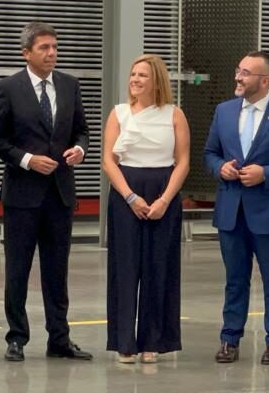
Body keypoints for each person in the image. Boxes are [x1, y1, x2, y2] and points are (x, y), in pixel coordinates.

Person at [0, 22, 93, 363]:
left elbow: (81, 130)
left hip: (60, 195)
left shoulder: (69, 85)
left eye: (54, 47)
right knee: (17, 270)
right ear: (26, 53)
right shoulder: (8, 88)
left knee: (57, 271)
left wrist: (80, 149)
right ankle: (16, 338)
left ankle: (59, 339)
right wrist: (27, 160)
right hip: (22, 195)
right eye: (44, 48)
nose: (51, 53)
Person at [204, 50, 269, 365]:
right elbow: (210, 153)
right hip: (231, 211)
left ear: (265, 81)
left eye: (246, 73)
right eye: (238, 70)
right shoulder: (223, 111)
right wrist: (220, 168)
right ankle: (229, 339)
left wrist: (266, 173)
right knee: (234, 280)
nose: (238, 77)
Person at [102, 54, 191, 364]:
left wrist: (164, 200)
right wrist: (130, 197)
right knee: (125, 267)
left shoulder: (174, 115)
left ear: (157, 81)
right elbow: (109, 161)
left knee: (159, 267)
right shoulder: (118, 114)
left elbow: (183, 161)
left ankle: (153, 339)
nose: (135, 80)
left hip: (163, 190)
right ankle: (124, 340)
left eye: (142, 75)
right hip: (126, 192)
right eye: (133, 74)